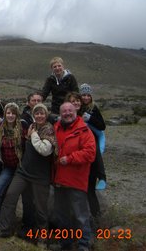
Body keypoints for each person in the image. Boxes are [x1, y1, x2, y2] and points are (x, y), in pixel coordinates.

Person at [0, 104, 56, 247]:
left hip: (40, 176)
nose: (39, 116)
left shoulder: (48, 130)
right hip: (23, 172)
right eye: (36, 113)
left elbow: (45, 150)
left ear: (46, 115)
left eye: (41, 113)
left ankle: (42, 238)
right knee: (10, 196)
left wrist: (32, 135)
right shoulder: (31, 126)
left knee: (40, 208)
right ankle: (4, 229)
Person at [53, 102, 96, 251]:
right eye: (64, 111)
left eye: (70, 110)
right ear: (60, 113)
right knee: (62, 215)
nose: (67, 113)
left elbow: (90, 153)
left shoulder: (84, 130)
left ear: (75, 111)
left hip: (76, 181)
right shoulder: (56, 127)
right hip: (59, 180)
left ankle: (84, 245)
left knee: (81, 216)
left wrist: (70, 158)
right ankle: (65, 244)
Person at [0, 103, 24, 234]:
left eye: (13, 113)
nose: (10, 115)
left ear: (16, 114)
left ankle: (17, 224)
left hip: (20, 167)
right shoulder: (0, 127)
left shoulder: (23, 128)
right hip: (7, 167)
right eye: (8, 113)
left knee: (11, 195)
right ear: (5, 114)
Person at [79, 83, 107, 214]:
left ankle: (102, 177)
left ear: (91, 96)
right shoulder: (76, 107)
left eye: (87, 95)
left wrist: (90, 118)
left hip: (92, 139)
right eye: (83, 95)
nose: (85, 98)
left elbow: (102, 126)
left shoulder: (94, 108)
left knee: (90, 186)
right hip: (80, 144)